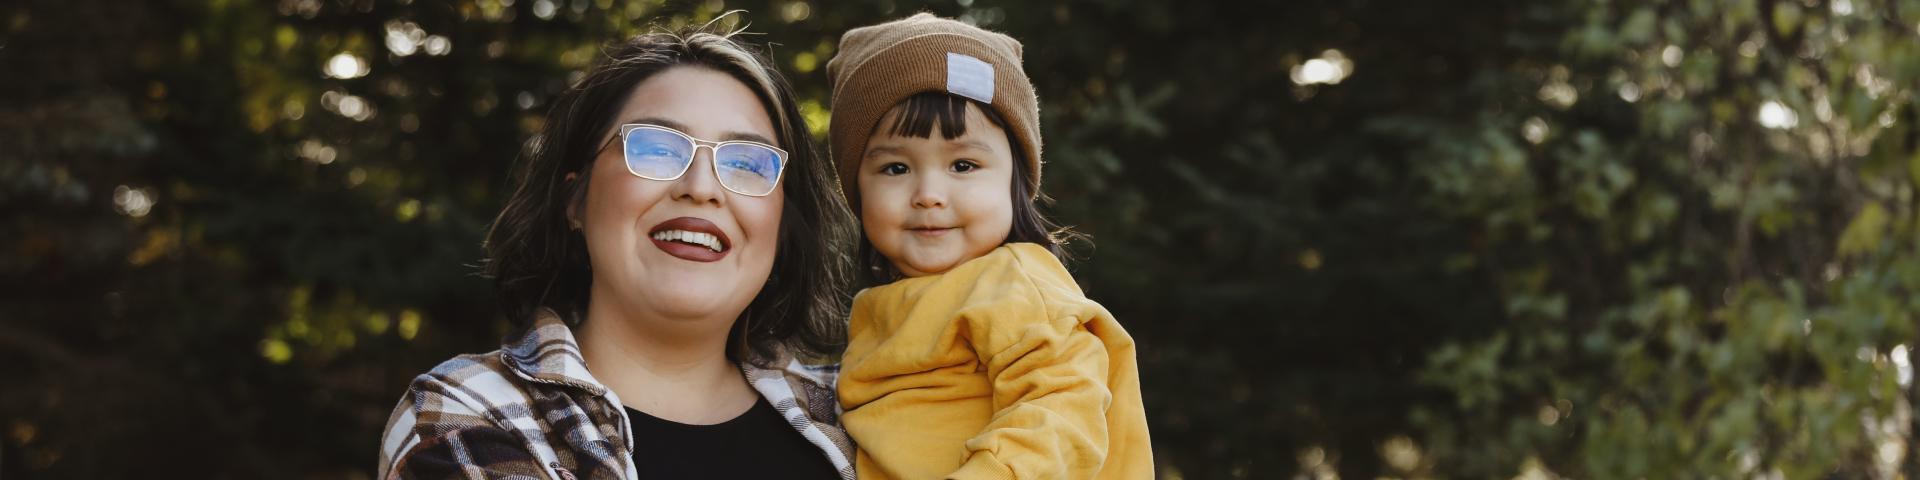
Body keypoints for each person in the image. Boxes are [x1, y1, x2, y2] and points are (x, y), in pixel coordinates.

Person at [378, 19, 857, 480]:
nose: (702, 186)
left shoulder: (858, 411)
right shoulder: (471, 412)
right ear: (575, 200)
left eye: (747, 162)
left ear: (783, 224)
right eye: (657, 148)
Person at [824, 13, 1153, 479]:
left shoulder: (1012, 281)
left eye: (963, 165)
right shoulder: (878, 310)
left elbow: (1062, 404)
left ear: (1015, 182)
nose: (929, 193)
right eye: (895, 168)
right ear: (857, 191)